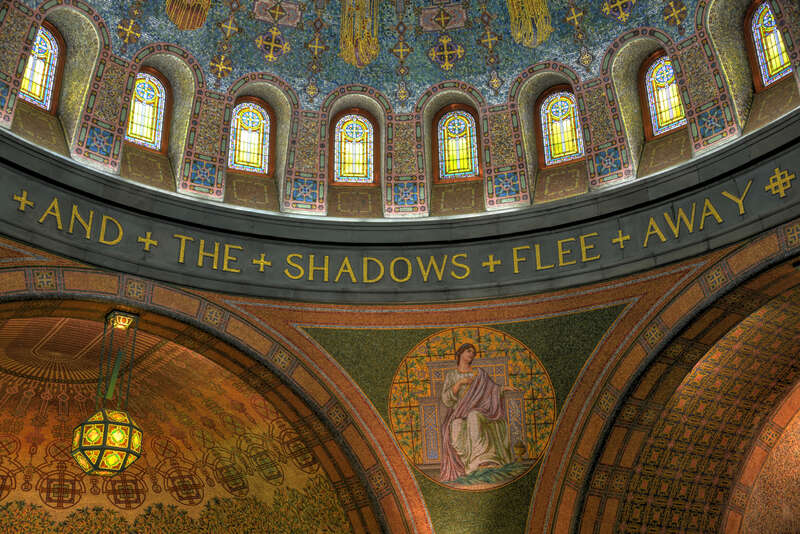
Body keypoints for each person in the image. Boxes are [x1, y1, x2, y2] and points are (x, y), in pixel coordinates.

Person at [439, 343, 515, 482]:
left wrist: (503, 388)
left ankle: (482, 462)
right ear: (460, 353)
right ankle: (468, 465)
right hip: (458, 413)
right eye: (468, 351)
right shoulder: (452, 375)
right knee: (455, 431)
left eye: (473, 352)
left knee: (474, 417)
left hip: (479, 410)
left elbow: (491, 388)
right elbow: (446, 400)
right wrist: (459, 383)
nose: (471, 354)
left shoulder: (478, 373)